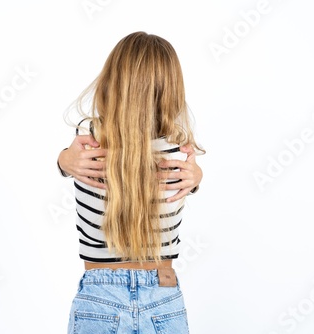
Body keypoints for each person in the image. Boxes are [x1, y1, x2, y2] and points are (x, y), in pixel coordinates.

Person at [58, 31, 206, 333]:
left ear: (113, 81)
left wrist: (62, 160)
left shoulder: (87, 144)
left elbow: (75, 160)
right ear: (171, 90)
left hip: (99, 297)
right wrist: (198, 177)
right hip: (163, 298)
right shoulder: (181, 154)